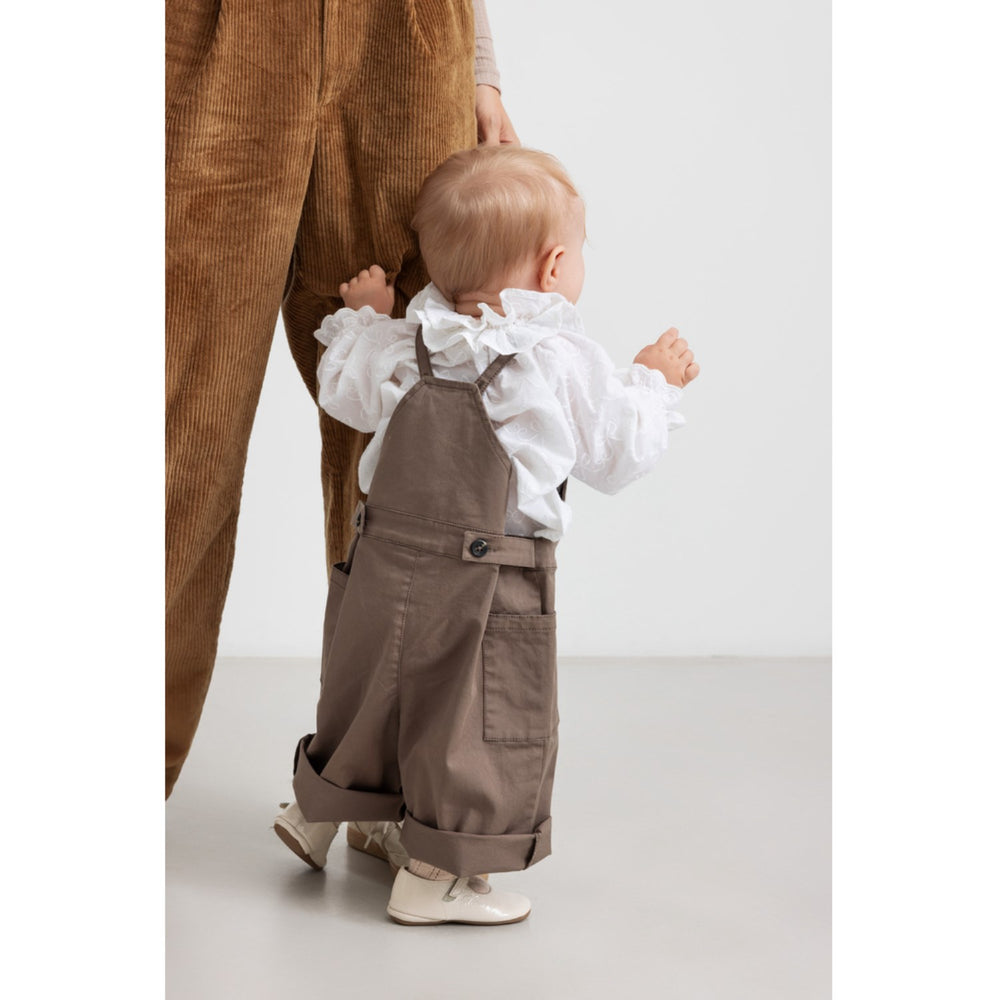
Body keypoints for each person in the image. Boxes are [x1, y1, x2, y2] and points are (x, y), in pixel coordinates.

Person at [274, 145, 700, 925]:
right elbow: (615, 453)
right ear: (555, 267)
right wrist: (653, 381)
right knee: (474, 724)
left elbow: (345, 390)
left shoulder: (412, 340)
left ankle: (324, 815)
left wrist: (367, 318)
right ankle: (437, 875)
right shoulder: (557, 360)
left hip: (387, 566)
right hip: (490, 582)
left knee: (371, 691)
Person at [166, 0, 517, 798]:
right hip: (210, 35)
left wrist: (480, 67)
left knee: (415, 413)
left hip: (406, 36)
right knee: (178, 411)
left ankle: (385, 783)